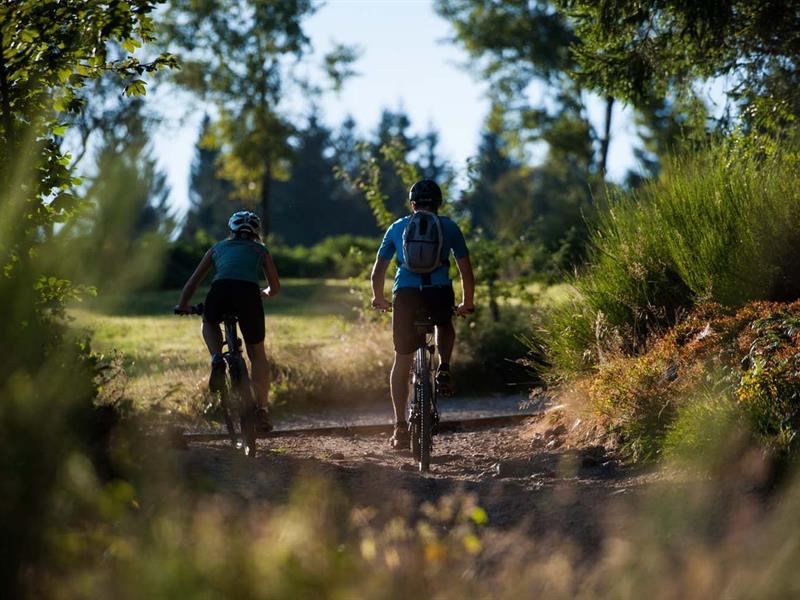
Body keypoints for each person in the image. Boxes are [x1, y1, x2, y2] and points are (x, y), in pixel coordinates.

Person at [370, 179, 475, 449]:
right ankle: (444, 368)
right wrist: (467, 302)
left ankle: (400, 427)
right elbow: (465, 270)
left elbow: (378, 271)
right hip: (438, 291)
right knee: (444, 322)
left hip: (405, 294)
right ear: (439, 204)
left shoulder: (397, 227)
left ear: (412, 204)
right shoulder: (448, 226)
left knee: (401, 359)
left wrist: (379, 298)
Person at [174, 210, 280, 432]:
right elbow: (275, 287)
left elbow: (193, 281)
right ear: (256, 233)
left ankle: (216, 358)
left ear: (231, 231)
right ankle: (261, 409)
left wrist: (183, 304)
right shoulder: (260, 250)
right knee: (257, 353)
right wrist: (265, 293)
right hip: (249, 295)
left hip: (220, 291)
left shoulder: (218, 248)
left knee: (210, 321)